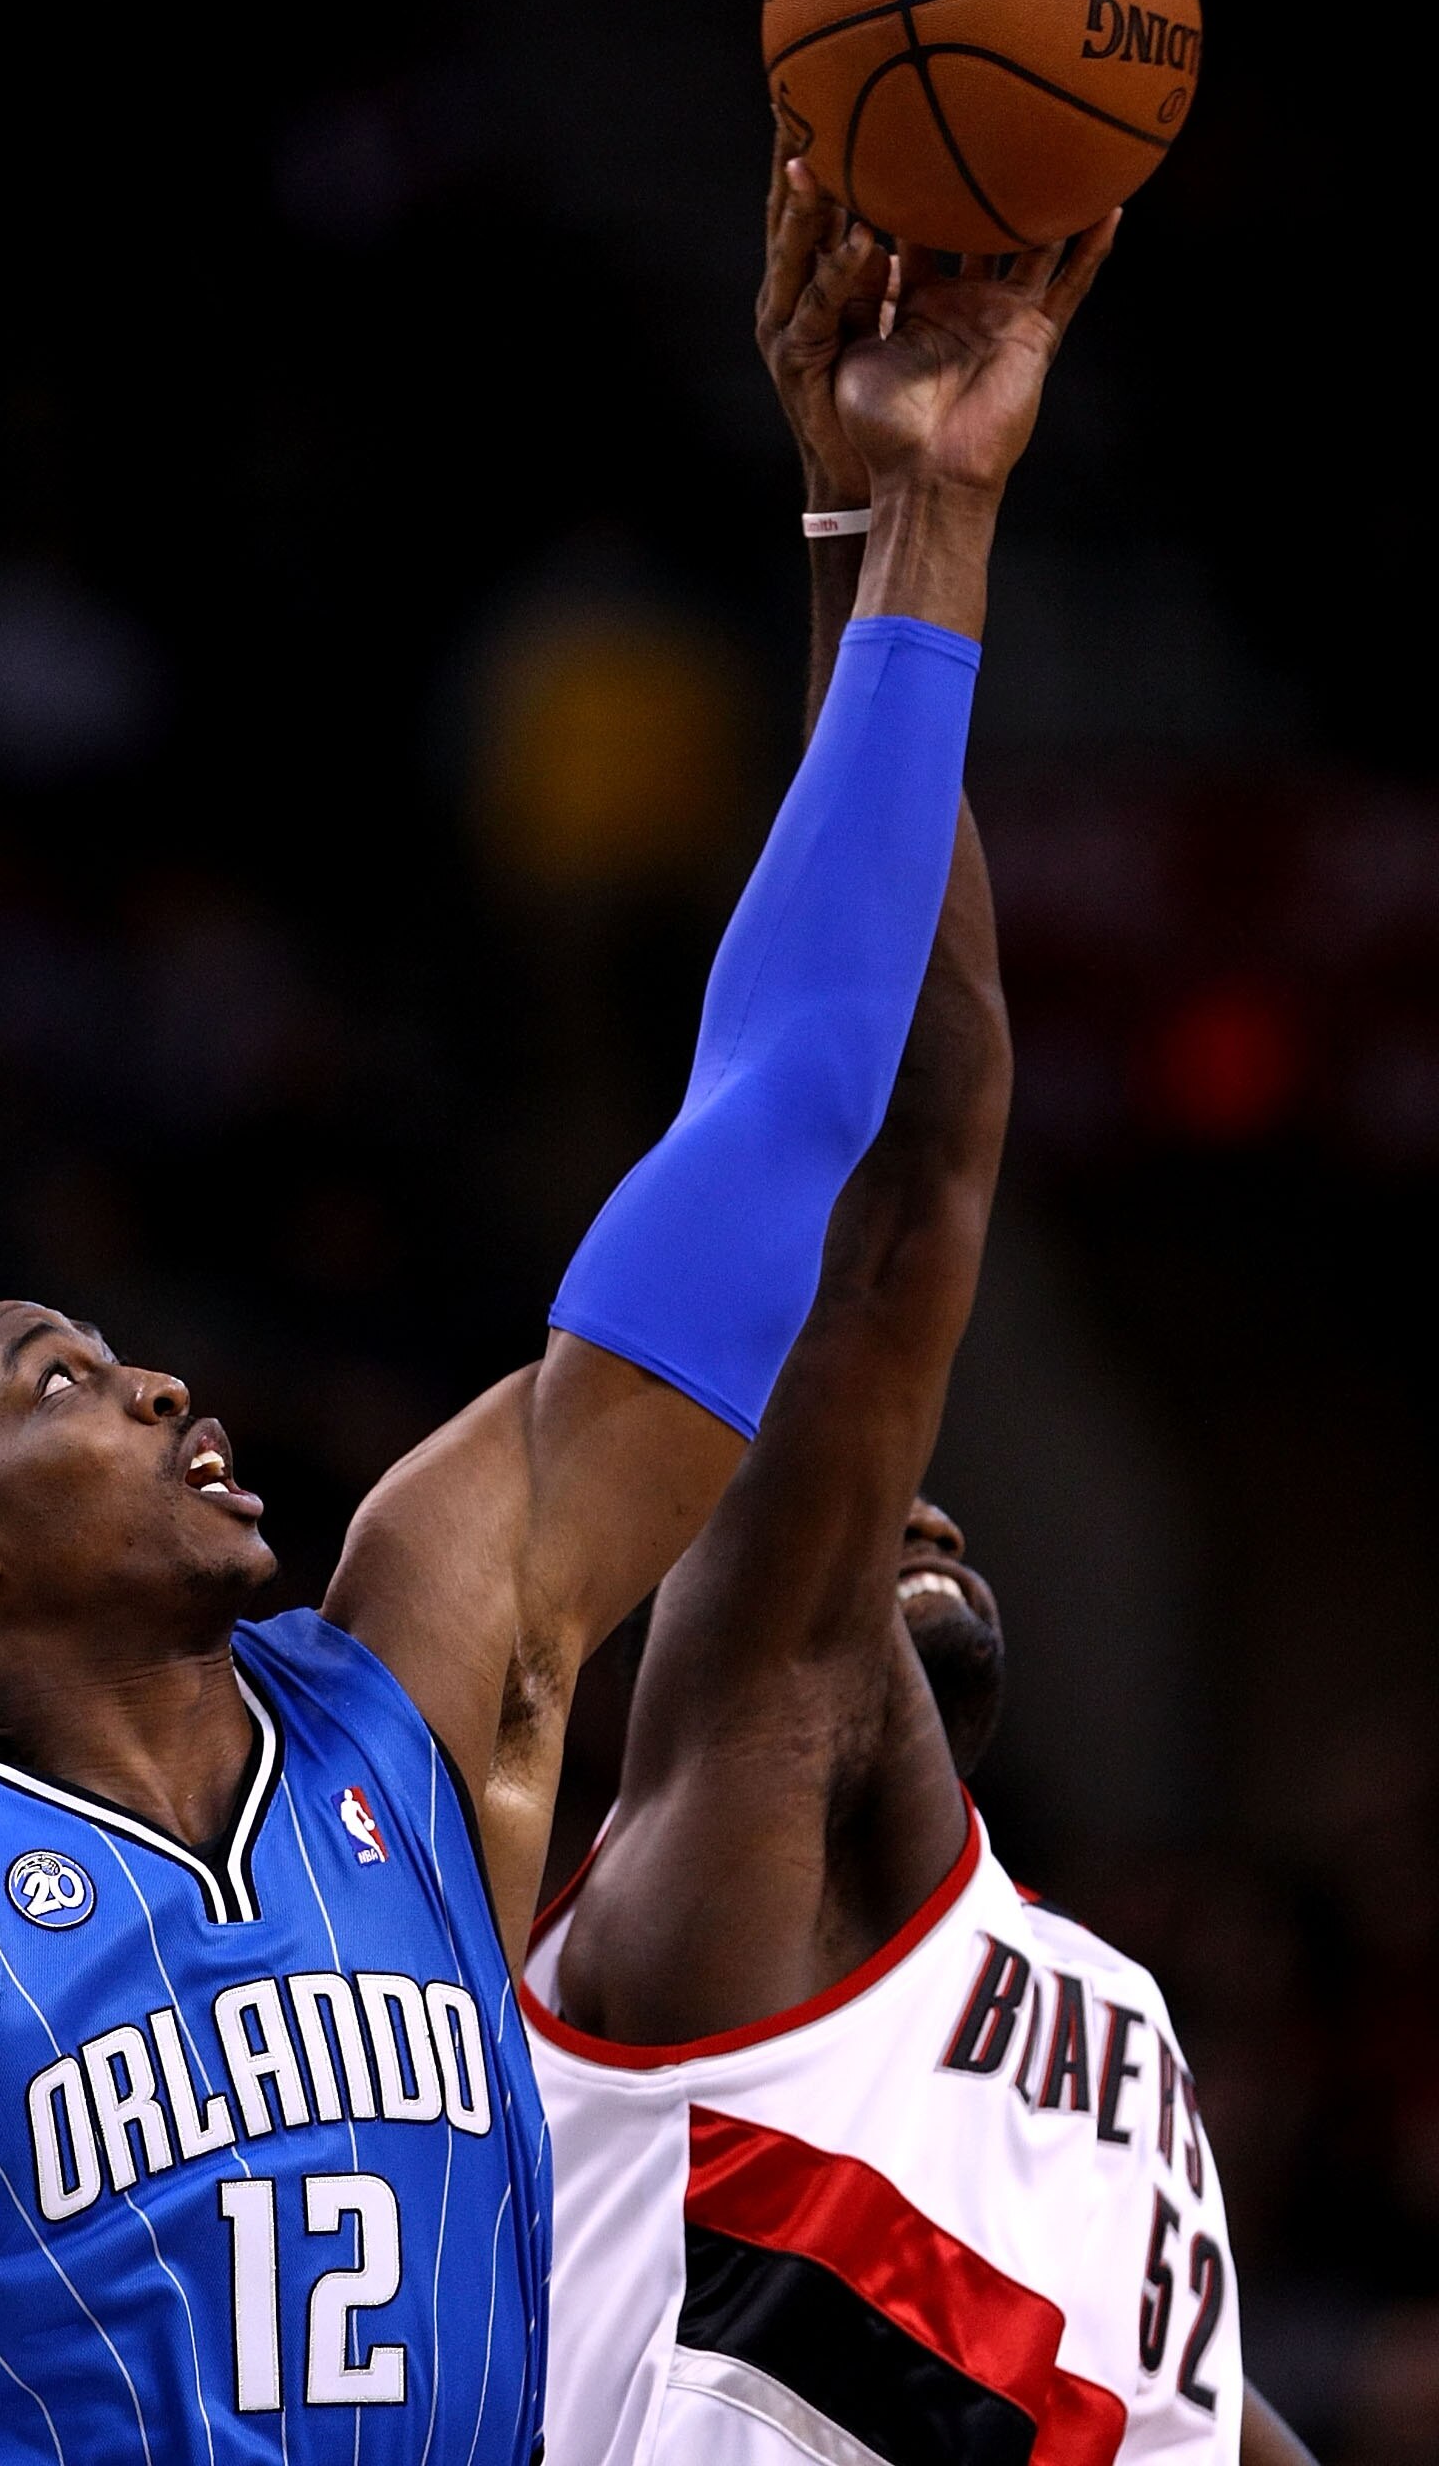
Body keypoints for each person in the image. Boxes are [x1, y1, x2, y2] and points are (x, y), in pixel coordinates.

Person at [0, 162, 1106, 2465]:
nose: (156, 1379)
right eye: (59, 1381)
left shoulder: (427, 1684)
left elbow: (784, 1116)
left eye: (123, 1354)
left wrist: (905, 519)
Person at [523, 167, 1313, 2465]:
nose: (908, 1507)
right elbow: (876, 1181)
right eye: (848, 1499)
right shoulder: (713, 1898)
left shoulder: (1060, 2007)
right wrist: (897, 525)